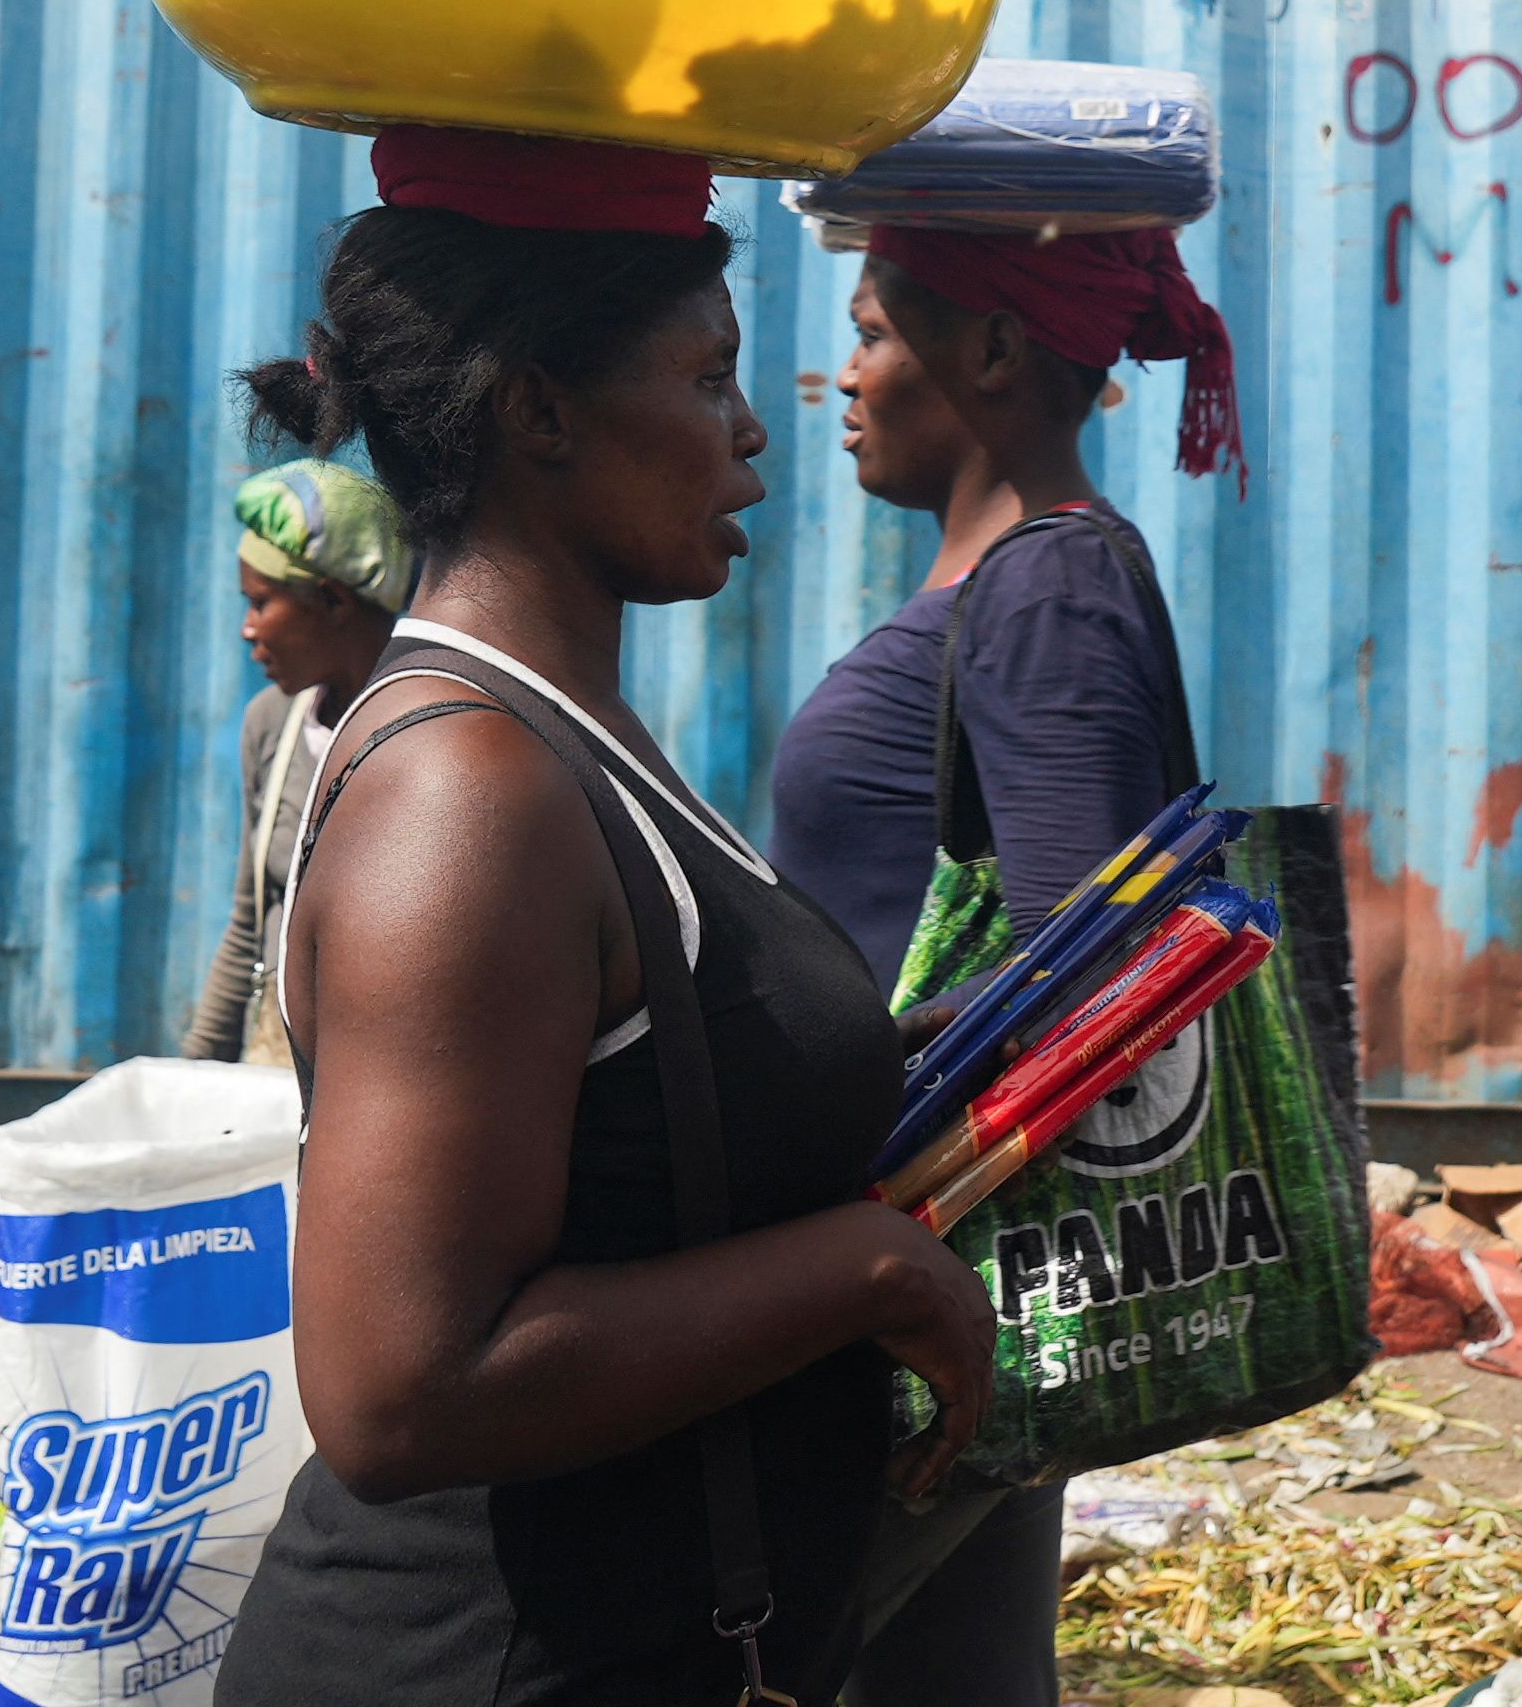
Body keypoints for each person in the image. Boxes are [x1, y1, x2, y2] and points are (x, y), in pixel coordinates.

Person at [225, 126, 995, 1707]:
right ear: (540, 410)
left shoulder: (564, 734)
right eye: (709, 379)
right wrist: (865, 1273)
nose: (749, 440)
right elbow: (398, 1394)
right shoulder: (468, 791)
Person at [763, 221, 1241, 1705]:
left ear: (989, 353)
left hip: (929, 1289)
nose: (838, 378)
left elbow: (1091, 994)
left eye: (872, 334)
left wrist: (834, 1089)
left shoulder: (1046, 590)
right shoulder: (1014, 580)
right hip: (913, 1283)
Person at [183, 457, 412, 1066]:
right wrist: (194, 1072)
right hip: (277, 1075)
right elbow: (250, 920)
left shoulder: (431, 738)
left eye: (260, 603)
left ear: (333, 601)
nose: (247, 630)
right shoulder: (271, 727)